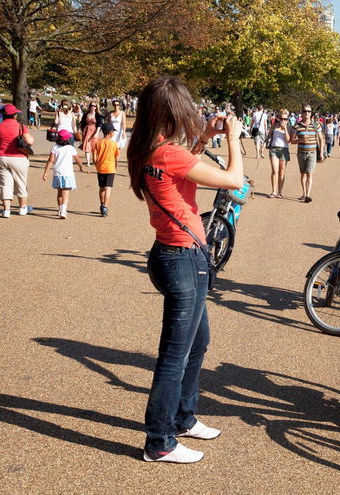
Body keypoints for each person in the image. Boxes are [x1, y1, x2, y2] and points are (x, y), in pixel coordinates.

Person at [128, 76, 243, 464]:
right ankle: (159, 440)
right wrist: (234, 139)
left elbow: (178, 168)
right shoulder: (167, 153)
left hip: (171, 256)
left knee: (198, 343)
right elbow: (233, 181)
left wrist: (204, 139)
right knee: (173, 357)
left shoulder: (149, 148)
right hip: (182, 259)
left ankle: (182, 417)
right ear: (172, 113)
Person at [0, 104, 35, 217]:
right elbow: (29, 141)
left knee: (5, 184)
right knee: (21, 182)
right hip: (18, 157)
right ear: (15, 115)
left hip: (2, 157)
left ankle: (6, 210)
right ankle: (22, 208)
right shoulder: (21, 126)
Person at [43, 129, 82, 219]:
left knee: (59, 192)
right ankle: (63, 210)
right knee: (66, 192)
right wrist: (80, 166)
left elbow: (50, 160)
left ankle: (60, 209)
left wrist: (46, 172)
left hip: (57, 173)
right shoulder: (71, 148)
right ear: (68, 139)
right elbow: (78, 159)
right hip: (68, 174)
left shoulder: (55, 148)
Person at [289, 105, 324, 203]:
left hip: (312, 152)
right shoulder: (297, 126)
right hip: (301, 153)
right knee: (303, 174)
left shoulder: (316, 125)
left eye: (309, 111)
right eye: (305, 111)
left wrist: (321, 152)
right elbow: (292, 141)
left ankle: (308, 195)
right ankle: (304, 193)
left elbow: (321, 139)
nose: (307, 113)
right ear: (302, 113)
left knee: (309, 173)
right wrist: (301, 139)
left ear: (311, 113)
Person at [93, 122, 119, 216]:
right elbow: (116, 157)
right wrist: (116, 165)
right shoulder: (114, 144)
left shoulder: (98, 142)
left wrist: (97, 164)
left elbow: (94, 157)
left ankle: (102, 204)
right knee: (108, 188)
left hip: (100, 168)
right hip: (110, 168)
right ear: (110, 132)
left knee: (102, 187)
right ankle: (105, 207)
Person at [266, 109, 292, 198]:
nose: (283, 121)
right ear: (278, 118)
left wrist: (285, 129)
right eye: (281, 118)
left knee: (282, 172)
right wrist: (263, 145)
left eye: (285, 119)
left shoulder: (289, 127)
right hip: (274, 149)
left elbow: (288, 140)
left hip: (284, 150)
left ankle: (279, 192)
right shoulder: (274, 125)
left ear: (288, 120)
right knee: (274, 171)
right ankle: (273, 191)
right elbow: (269, 135)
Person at [80, 102, 104, 169]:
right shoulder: (86, 114)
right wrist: (82, 129)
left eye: (94, 106)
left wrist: (97, 132)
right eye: (91, 105)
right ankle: (88, 162)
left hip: (94, 131)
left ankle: (94, 160)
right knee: (87, 145)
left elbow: (100, 124)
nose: (92, 107)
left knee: (94, 146)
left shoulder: (98, 115)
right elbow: (82, 122)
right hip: (86, 130)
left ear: (96, 107)